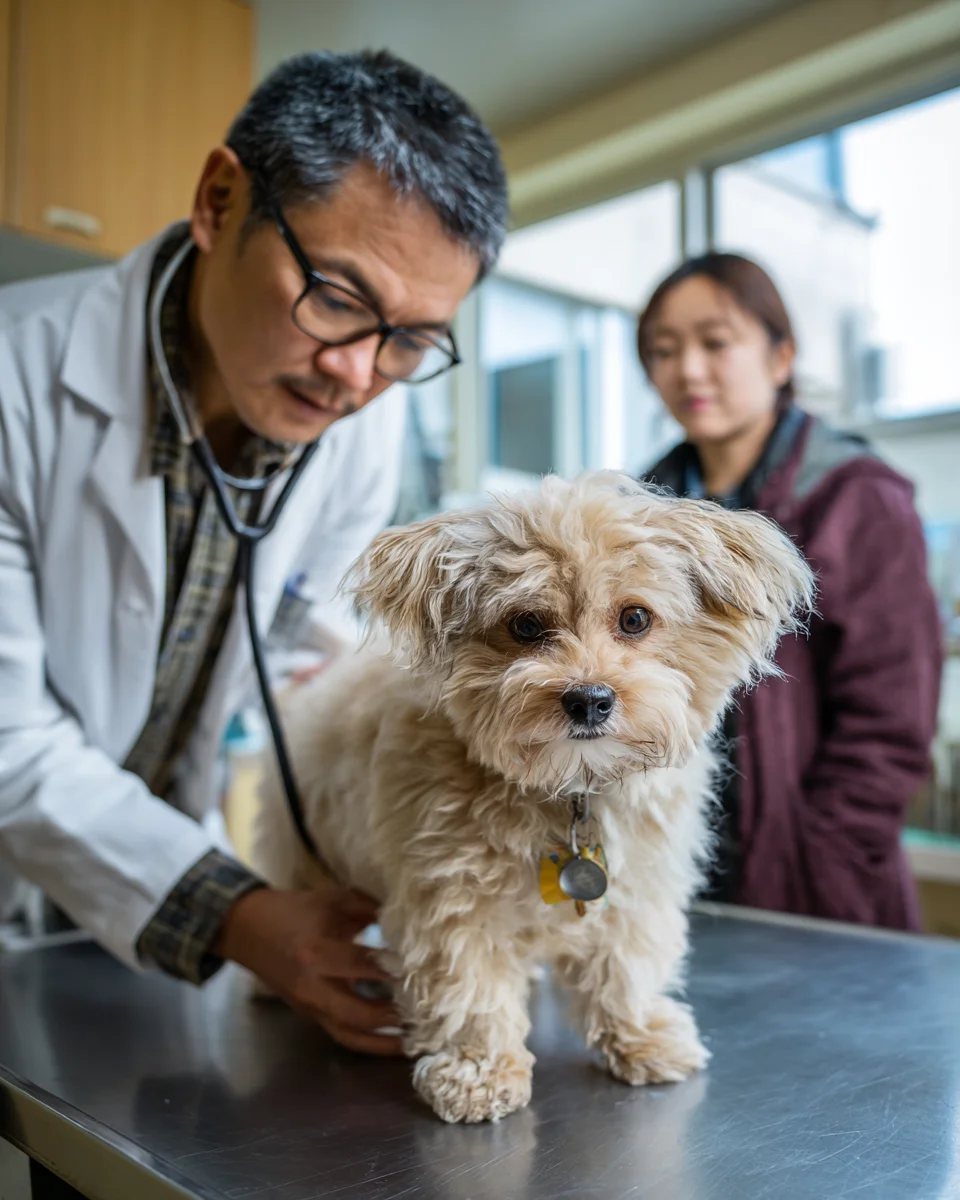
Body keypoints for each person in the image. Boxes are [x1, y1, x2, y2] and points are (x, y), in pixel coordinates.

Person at [0, 50, 507, 1053]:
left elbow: (293, 652)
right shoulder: (17, 382)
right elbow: (6, 740)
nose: (358, 373)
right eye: (335, 294)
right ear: (219, 199)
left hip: (141, 899)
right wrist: (236, 913)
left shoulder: (362, 426)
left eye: (410, 339)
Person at [637, 253, 943, 929]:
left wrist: (825, 856)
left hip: (809, 882)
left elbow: (891, 720)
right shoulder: (639, 509)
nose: (687, 369)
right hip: (664, 863)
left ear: (781, 358)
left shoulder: (857, 498)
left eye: (715, 343)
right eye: (663, 350)